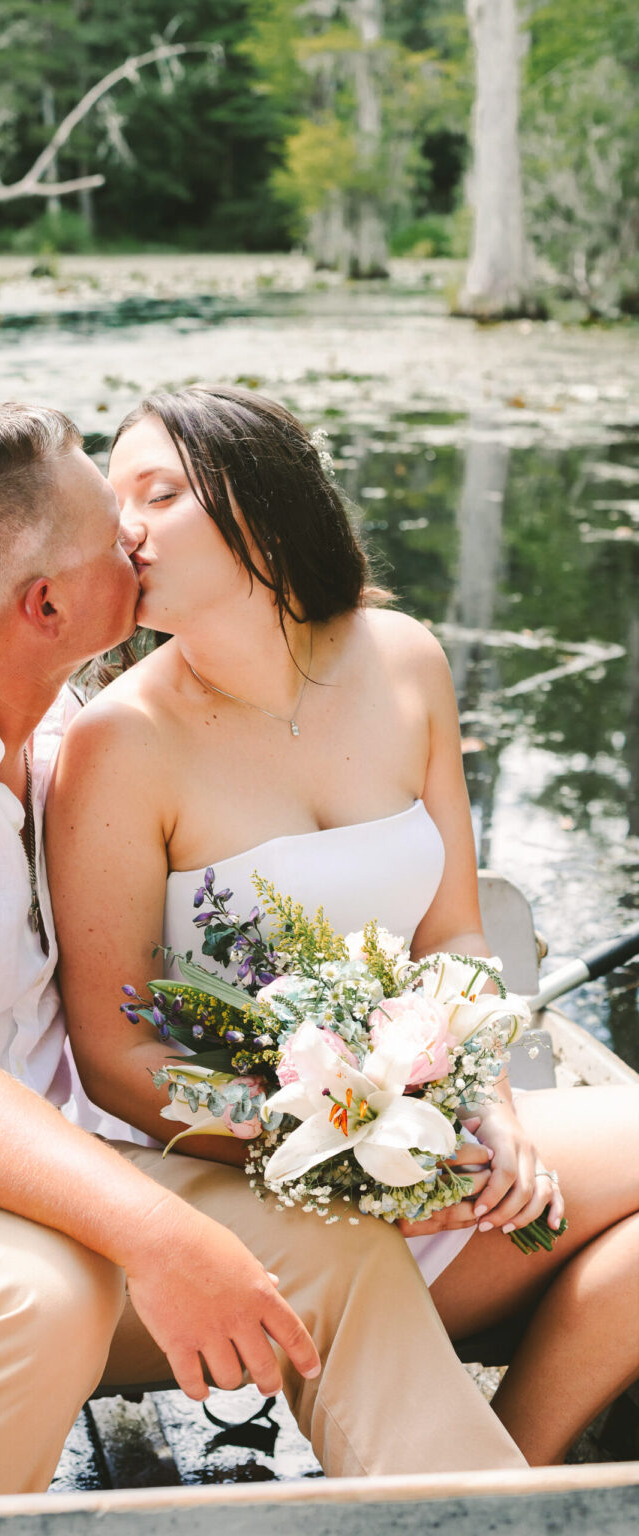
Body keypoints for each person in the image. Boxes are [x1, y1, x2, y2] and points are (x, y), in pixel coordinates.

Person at [0, 402, 527, 1504]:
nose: (136, 537)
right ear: (50, 603)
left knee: (335, 1251)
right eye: (111, 528)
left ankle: (489, 1522)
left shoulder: (60, 738)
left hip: (9, 1199)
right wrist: (161, 1235)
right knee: (30, 1296)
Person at [47, 384, 639, 1469]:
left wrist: (491, 1110)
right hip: (246, 1177)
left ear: (264, 508)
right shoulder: (116, 746)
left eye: (159, 492)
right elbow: (111, 1051)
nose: (121, 527)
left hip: (430, 1131)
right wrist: (327, 1153)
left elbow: (456, 934)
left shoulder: (405, 659)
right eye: (109, 501)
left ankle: (520, 1474)